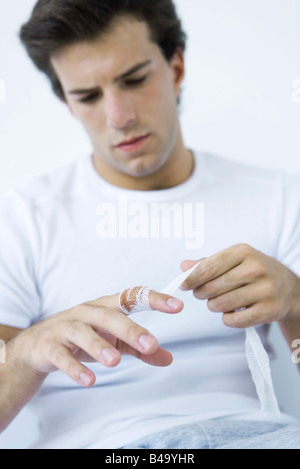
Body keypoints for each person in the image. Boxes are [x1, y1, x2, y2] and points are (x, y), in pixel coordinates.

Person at [0, 0, 299, 449]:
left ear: (176, 67)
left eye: (135, 80)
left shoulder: (280, 198)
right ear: (66, 102)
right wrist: (25, 353)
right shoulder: (23, 218)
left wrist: (295, 301)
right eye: (88, 96)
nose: (119, 117)